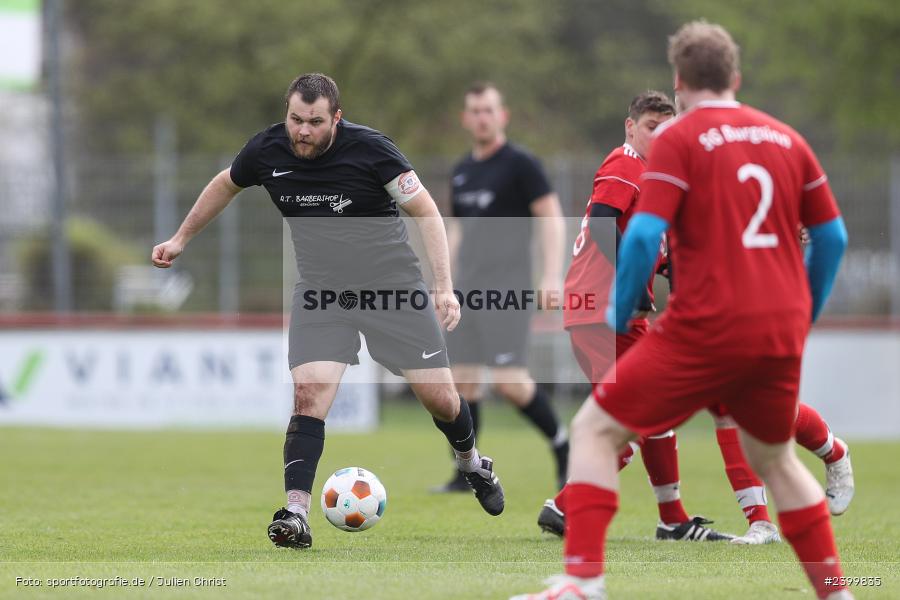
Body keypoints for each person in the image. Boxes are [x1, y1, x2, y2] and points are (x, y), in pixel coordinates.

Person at [513, 21, 851, 600]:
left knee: (596, 428)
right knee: (772, 455)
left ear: (681, 82)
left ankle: (582, 584)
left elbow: (641, 240)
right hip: (776, 324)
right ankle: (839, 587)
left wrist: (620, 309)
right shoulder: (787, 139)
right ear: (736, 78)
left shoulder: (680, 142)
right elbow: (834, 238)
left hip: (704, 324)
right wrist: (805, 313)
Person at [151, 73, 505, 550]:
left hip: (392, 290)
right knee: (309, 394)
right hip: (322, 294)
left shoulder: (374, 150)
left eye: (315, 122)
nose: (302, 131)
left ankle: (471, 464)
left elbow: (427, 213)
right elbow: (225, 184)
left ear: (335, 118)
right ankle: (295, 513)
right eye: (295, 119)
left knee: (441, 398)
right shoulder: (266, 151)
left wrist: (443, 288)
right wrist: (180, 239)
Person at [541, 90, 733, 542]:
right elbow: (606, 222)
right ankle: (571, 507)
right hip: (604, 313)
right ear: (630, 128)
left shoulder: (653, 176)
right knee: (631, 420)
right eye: (651, 127)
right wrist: (630, 284)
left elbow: (657, 252)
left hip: (608, 314)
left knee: (647, 416)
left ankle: (668, 518)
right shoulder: (628, 164)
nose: (659, 135)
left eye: (667, 128)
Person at [433, 82, 569, 492]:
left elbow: (551, 218)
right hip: (467, 291)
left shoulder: (521, 164)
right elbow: (456, 231)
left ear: (502, 115)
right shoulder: (461, 171)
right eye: (474, 111)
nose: (481, 117)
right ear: (465, 119)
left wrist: (550, 275)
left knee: (510, 382)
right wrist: (445, 283)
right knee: (463, 382)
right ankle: (467, 471)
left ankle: (565, 448)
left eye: (488, 110)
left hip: (508, 289)